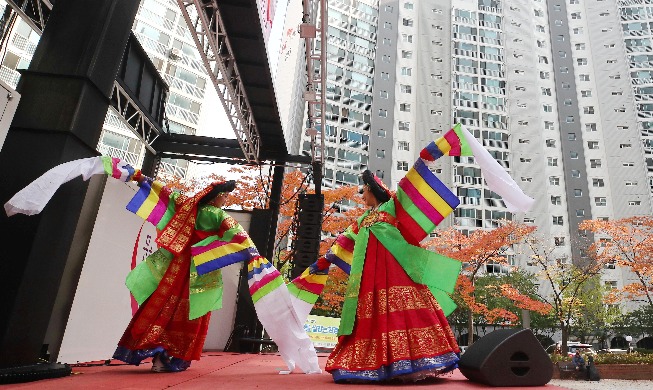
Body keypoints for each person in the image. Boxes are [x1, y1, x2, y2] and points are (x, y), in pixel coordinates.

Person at [287, 124, 534, 383]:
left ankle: (413, 363)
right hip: (369, 277)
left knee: (407, 309)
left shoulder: (393, 204)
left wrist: (427, 156)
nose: (362, 195)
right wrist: (323, 262)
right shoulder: (361, 221)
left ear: (373, 190)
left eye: (364, 190)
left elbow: (410, 182)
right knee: (370, 316)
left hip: (399, 269)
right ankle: (372, 364)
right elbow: (342, 243)